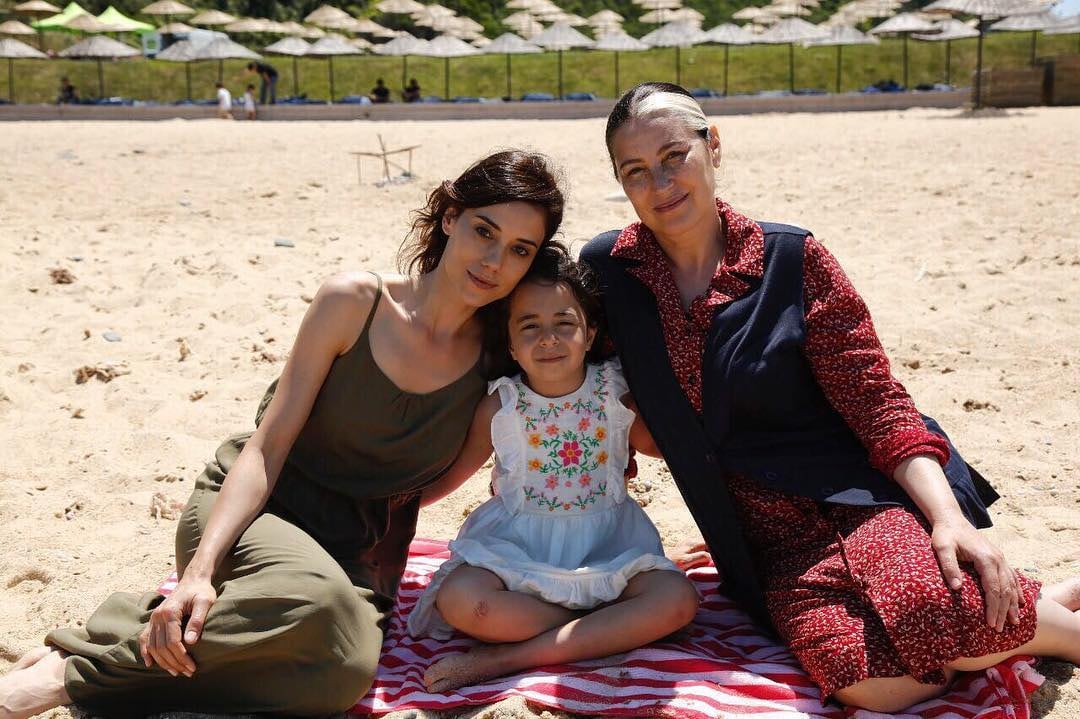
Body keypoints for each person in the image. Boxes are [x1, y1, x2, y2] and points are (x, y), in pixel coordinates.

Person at [0, 150, 566, 719]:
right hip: (258, 508)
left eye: (520, 250)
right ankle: (74, 672)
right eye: (484, 231)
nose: (494, 261)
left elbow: (436, 485)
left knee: (340, 676)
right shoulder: (355, 302)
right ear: (450, 218)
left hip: (357, 551)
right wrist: (199, 571)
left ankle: (130, 629)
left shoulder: (498, 360)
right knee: (314, 603)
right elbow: (266, 448)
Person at [579, 81, 1080, 713]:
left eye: (674, 156)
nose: (660, 183)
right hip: (761, 536)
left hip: (856, 495)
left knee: (932, 609)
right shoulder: (611, 273)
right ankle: (1040, 605)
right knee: (870, 682)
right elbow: (584, 395)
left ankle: (1065, 633)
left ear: (713, 146)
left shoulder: (792, 259)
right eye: (635, 171)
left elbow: (878, 404)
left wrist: (948, 519)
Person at [407, 248, 699, 692]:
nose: (548, 339)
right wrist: (395, 509)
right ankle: (606, 626)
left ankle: (509, 658)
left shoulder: (615, 391)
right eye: (530, 326)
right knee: (463, 602)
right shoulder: (501, 405)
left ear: (590, 332)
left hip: (608, 547)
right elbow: (453, 475)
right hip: (518, 550)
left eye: (564, 323)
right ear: (509, 343)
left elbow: (664, 449)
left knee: (677, 601)